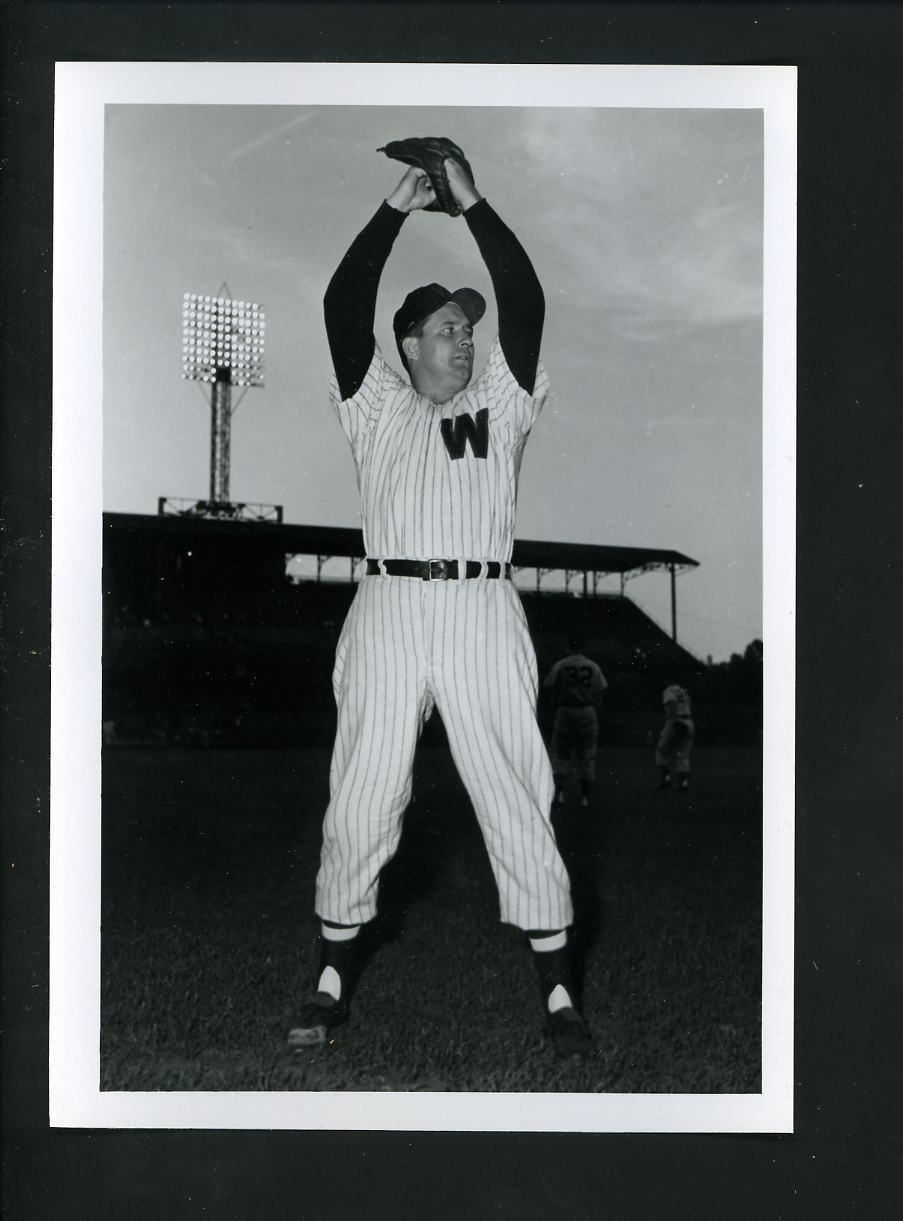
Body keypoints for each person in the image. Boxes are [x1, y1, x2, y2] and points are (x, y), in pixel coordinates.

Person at [286, 148, 591, 1060]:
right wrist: (393, 207)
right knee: (365, 790)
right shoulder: (375, 405)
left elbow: (526, 299)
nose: (464, 339)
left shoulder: (499, 401)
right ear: (409, 342)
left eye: (467, 328)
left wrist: (469, 203)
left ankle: (560, 989)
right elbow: (343, 305)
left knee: (515, 788)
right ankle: (332, 974)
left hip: (481, 607)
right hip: (385, 603)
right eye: (448, 328)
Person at [542, 634, 608, 809]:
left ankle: (560, 794)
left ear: (568, 645)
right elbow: (599, 695)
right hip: (587, 710)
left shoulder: (561, 664)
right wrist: (599, 718)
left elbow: (552, 692)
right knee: (587, 755)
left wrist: (550, 715)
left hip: (565, 710)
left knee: (560, 753)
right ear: (583, 646)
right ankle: (585, 798)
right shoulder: (593, 666)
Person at [655, 680, 695, 791]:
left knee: (661, 751)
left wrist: (672, 724)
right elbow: (689, 705)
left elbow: (672, 704)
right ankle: (684, 783)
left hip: (676, 720)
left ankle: (666, 779)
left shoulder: (668, 690)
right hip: (689, 721)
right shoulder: (682, 690)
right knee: (683, 753)